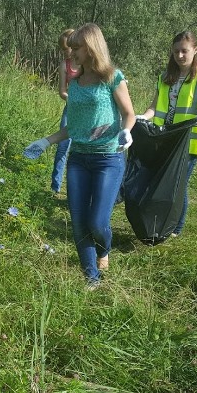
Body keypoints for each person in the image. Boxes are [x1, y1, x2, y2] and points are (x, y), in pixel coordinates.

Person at [24, 23, 136, 287]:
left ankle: (104, 249)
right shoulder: (74, 85)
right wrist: (46, 141)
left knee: (98, 221)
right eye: (71, 47)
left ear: (91, 47)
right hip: (79, 160)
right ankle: (91, 278)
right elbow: (72, 128)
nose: (71, 52)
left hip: (108, 158)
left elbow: (129, 113)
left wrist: (127, 132)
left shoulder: (113, 77)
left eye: (76, 47)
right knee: (78, 221)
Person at [136, 30, 197, 237]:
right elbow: (154, 107)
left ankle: (175, 228)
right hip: (166, 139)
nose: (180, 56)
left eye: (184, 51)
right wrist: (143, 116)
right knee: (165, 181)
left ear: (195, 50)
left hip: (188, 142)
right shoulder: (165, 77)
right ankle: (161, 221)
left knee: (178, 184)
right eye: (176, 51)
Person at [51, 28, 80, 194]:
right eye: (63, 49)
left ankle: (76, 188)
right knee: (63, 145)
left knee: (80, 148)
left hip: (87, 110)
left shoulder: (86, 62)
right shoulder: (65, 65)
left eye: (66, 48)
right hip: (70, 109)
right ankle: (55, 186)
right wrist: (72, 98)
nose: (65, 52)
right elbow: (62, 91)